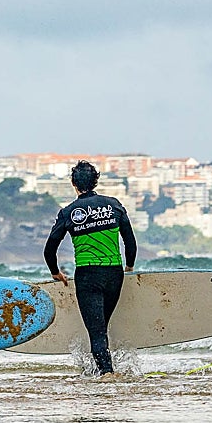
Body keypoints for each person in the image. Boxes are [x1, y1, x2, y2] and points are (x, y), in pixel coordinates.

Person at [44, 160, 136, 377]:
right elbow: (130, 242)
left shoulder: (68, 212)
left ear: (73, 184)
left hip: (88, 277)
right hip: (115, 274)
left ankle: (106, 375)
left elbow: (49, 249)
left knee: (97, 331)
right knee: (102, 326)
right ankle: (100, 370)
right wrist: (129, 267)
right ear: (96, 181)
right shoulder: (113, 205)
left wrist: (55, 272)